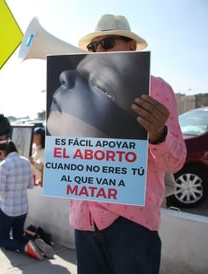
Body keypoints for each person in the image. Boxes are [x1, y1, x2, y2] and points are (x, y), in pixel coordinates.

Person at [60, 14, 186, 274]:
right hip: (84, 220)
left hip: (132, 223)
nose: (97, 51)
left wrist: (158, 134)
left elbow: (176, 161)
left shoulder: (157, 88)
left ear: (131, 46)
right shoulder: (77, 90)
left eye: (106, 43)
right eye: (93, 47)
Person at [0, 140, 54, 260]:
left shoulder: (4, 165)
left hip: (7, 208)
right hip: (22, 207)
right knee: (18, 235)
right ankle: (35, 242)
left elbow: (0, 189)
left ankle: (25, 247)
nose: (0, 158)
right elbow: (31, 185)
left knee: (3, 240)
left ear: (2, 152)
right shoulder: (26, 161)